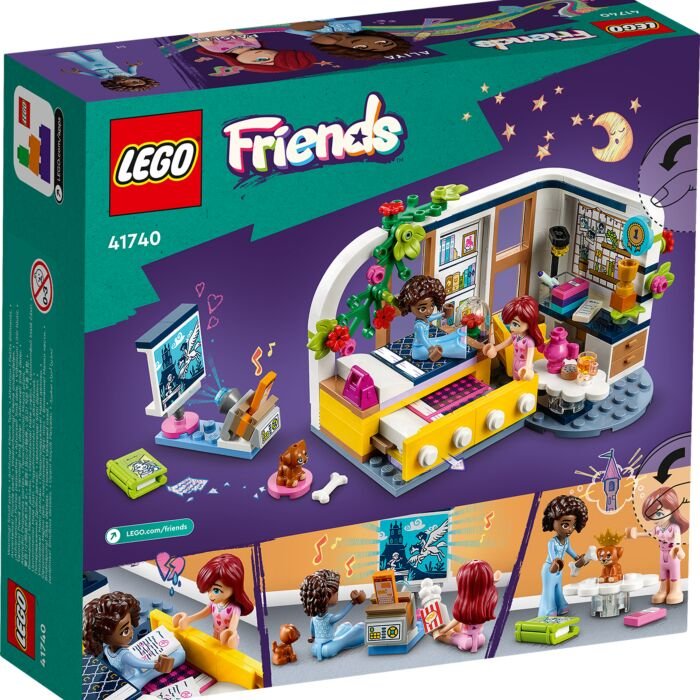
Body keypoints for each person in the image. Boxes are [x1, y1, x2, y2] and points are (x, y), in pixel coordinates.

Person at [83, 592, 185, 690]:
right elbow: (139, 663)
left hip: (124, 672)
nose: (132, 632)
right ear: (103, 637)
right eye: (125, 631)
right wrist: (156, 665)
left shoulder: (107, 649)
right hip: (132, 676)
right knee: (177, 657)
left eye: (130, 625)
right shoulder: (125, 655)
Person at [395, 275, 488, 362]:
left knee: (444, 338)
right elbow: (423, 339)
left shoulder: (424, 319)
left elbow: (432, 317)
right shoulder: (419, 326)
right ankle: (458, 346)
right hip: (420, 350)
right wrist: (431, 349)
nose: (429, 311)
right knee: (444, 347)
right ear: (409, 307)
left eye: (432, 305)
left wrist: (443, 314)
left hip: (427, 344)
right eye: (422, 308)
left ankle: (458, 335)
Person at [173, 553, 254, 648]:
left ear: (234, 586)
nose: (210, 595)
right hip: (215, 633)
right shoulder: (214, 603)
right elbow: (203, 613)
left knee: (225, 653)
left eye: (216, 590)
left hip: (228, 639)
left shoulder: (235, 609)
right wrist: (189, 619)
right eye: (208, 589)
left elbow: (233, 627)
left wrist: (230, 635)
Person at [627, 487, 689, 605]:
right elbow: (649, 533)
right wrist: (637, 534)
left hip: (672, 554)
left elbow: (677, 539)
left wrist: (677, 547)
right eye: (652, 514)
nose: (655, 518)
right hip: (662, 553)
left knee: (674, 573)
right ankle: (663, 590)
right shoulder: (658, 528)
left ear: (673, 509)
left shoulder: (674, 527)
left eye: (659, 513)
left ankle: (675, 590)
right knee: (663, 573)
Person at [434, 560, 500, 653]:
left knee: (442, 634)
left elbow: (456, 621)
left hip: (465, 642)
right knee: (459, 626)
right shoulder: (485, 602)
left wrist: (443, 631)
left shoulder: (465, 607)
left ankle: (453, 637)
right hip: (481, 638)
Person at [539, 495, 589, 617]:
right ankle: (549, 609)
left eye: (573, 525)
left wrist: (578, 558)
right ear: (553, 522)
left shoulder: (566, 541)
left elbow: (570, 551)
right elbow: (552, 557)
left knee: (558, 588)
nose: (570, 529)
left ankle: (561, 605)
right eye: (565, 525)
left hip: (559, 569)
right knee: (549, 590)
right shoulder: (552, 542)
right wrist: (555, 562)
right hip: (550, 569)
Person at [299, 569, 366, 660]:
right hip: (328, 649)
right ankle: (347, 637)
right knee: (361, 627)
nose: (337, 595)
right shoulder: (329, 618)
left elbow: (312, 631)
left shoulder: (314, 618)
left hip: (315, 648)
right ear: (328, 595)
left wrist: (312, 637)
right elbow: (342, 614)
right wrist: (352, 603)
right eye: (336, 593)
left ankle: (341, 635)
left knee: (346, 625)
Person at [484, 295, 544, 381]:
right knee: (515, 380)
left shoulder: (529, 341)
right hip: (515, 362)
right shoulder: (515, 335)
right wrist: (494, 349)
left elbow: (530, 358)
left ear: (529, 322)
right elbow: (505, 344)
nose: (511, 328)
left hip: (523, 367)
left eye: (515, 324)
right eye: (510, 323)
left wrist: (527, 368)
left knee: (522, 385)